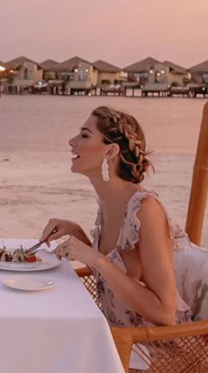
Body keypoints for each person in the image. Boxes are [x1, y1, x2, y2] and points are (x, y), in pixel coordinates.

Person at [40, 106, 192, 332]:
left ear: (110, 152)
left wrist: (95, 258)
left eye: (84, 135)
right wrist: (78, 234)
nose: (71, 142)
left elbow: (165, 314)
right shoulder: (108, 201)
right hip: (111, 335)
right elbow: (116, 283)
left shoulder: (145, 210)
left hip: (148, 347)